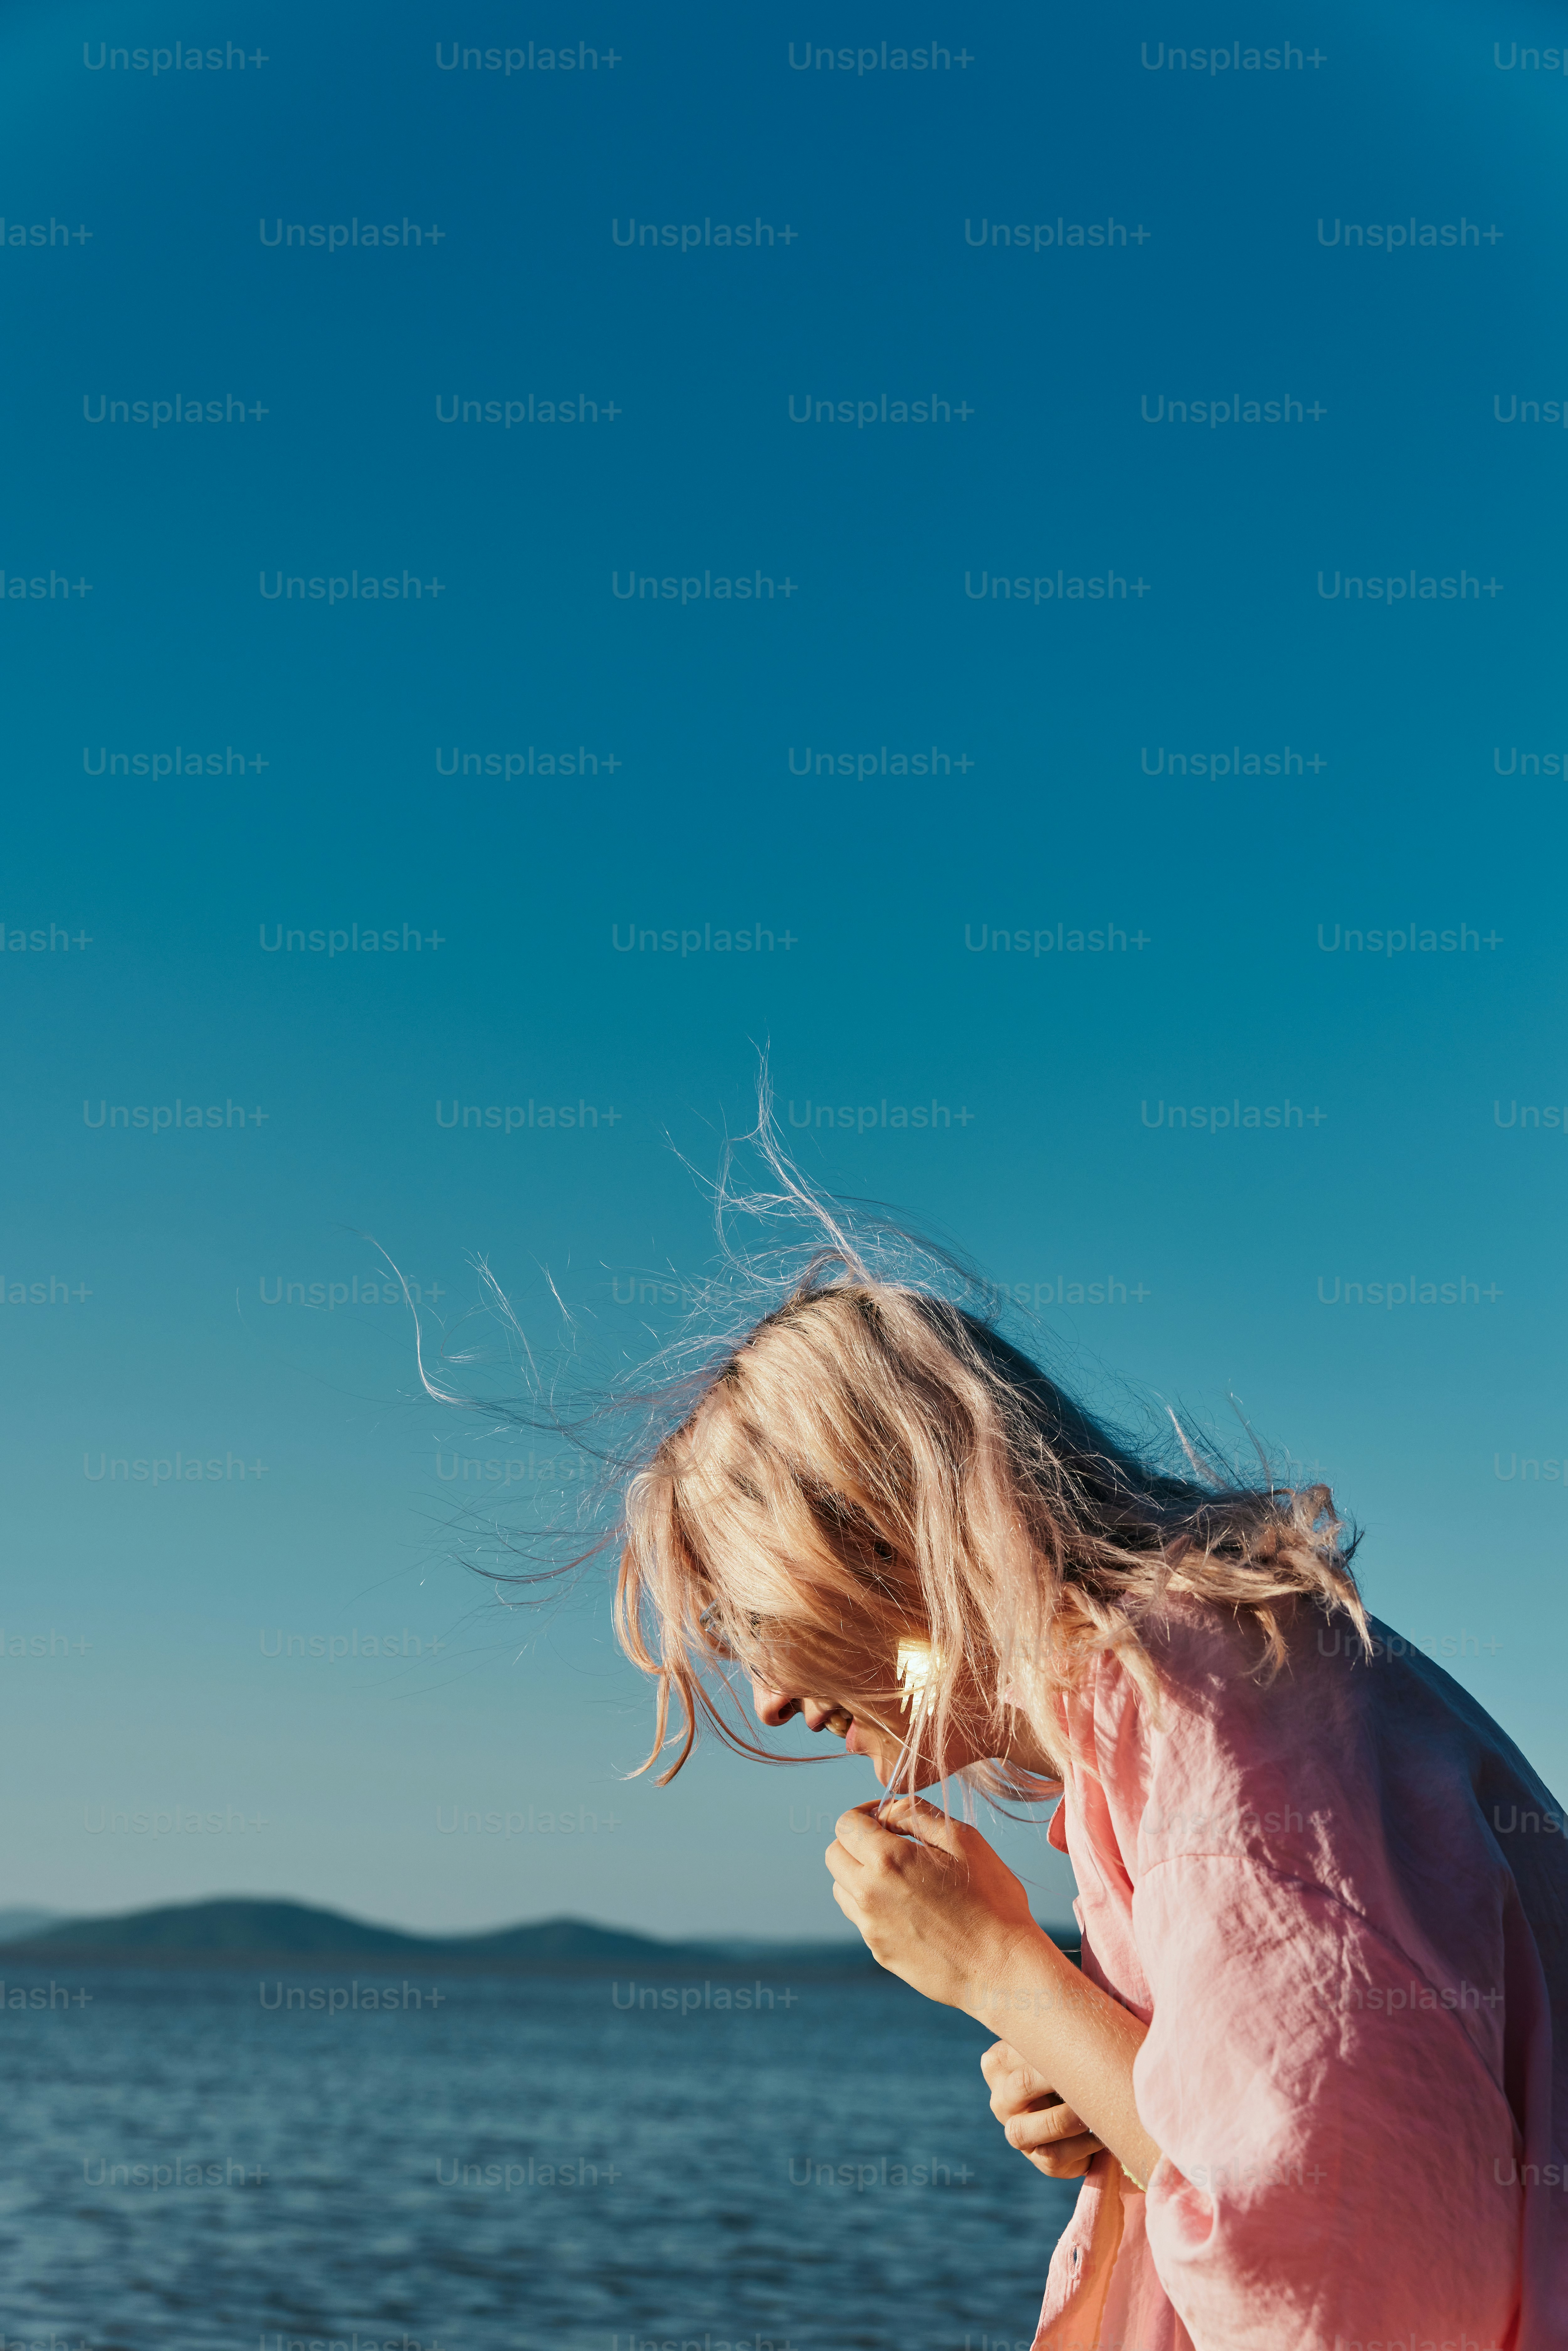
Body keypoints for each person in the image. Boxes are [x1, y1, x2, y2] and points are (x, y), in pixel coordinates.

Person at [615, 1271, 1568, 2350]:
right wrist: (1106, 2057)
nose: (772, 1700)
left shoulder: (1203, 1708)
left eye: (757, 1626)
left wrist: (1004, 1975)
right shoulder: (1217, 1679)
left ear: (883, 1541)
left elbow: (1354, 2273)